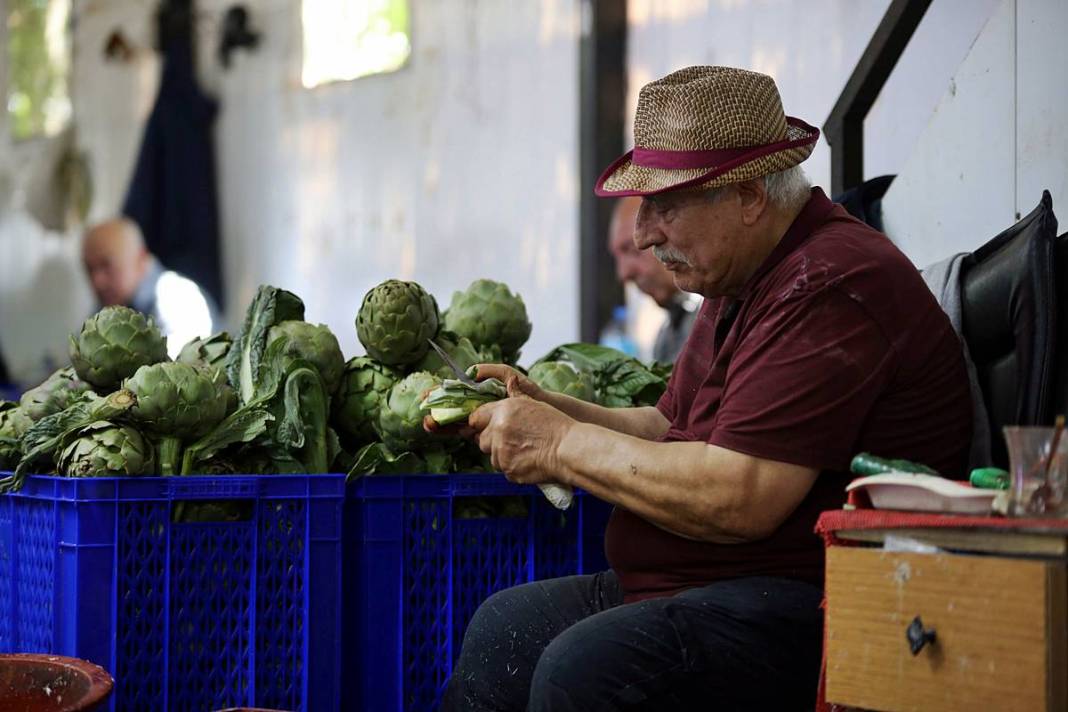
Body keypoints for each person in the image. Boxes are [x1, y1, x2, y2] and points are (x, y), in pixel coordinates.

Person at [442, 66, 972, 711]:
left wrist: (559, 447)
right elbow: (668, 430)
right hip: (704, 585)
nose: (643, 234)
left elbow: (740, 495)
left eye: (665, 205)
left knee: (586, 667)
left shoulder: (829, 282)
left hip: (816, 600)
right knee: (506, 625)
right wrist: (546, 407)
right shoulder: (744, 276)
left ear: (748, 195)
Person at [82, 217, 215, 358]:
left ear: (141, 258)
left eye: (106, 265)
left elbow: (180, 372)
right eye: (89, 269)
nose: (97, 281)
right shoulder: (104, 309)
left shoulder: (178, 297)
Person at [608, 196, 701, 362]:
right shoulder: (666, 336)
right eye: (617, 257)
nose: (623, 273)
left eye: (632, 250)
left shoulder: (718, 319)